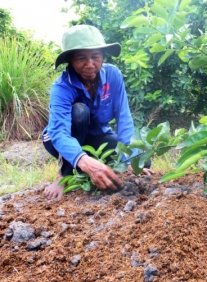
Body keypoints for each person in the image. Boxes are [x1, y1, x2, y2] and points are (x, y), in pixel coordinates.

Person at [42, 25, 150, 199]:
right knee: (79, 112)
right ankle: (64, 175)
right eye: (81, 58)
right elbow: (59, 133)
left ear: (103, 56)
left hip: (96, 136)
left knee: (140, 160)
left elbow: (123, 117)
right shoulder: (61, 87)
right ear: (70, 60)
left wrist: (129, 160)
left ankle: (94, 163)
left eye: (95, 56)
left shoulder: (113, 75)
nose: (90, 64)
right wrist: (85, 162)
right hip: (58, 138)